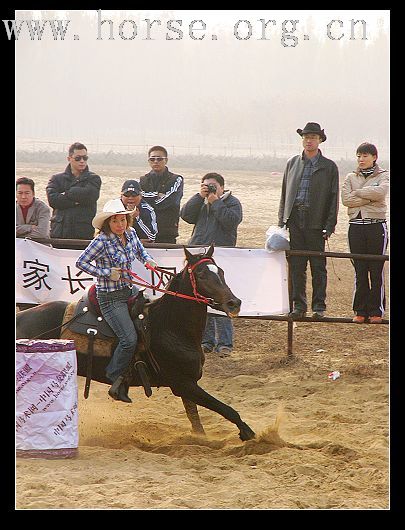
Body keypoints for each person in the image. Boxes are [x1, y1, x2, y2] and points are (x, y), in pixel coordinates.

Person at [76, 198, 157, 403]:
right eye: (115, 221)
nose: (120, 225)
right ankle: (114, 376)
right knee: (128, 339)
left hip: (129, 291)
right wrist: (106, 273)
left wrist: (148, 260)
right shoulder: (101, 241)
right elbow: (81, 262)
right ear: (107, 223)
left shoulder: (130, 234)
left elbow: (140, 251)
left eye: (122, 220)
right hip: (110, 297)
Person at [278, 122, 339, 319]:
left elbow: (333, 198)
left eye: (312, 137)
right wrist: (282, 220)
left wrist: (330, 224)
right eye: (305, 137)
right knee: (296, 265)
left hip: (316, 222)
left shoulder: (329, 167)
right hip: (295, 219)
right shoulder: (292, 163)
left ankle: (319, 306)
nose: (308, 140)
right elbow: (284, 193)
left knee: (318, 266)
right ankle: (298, 305)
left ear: (320, 140)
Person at [180, 172, 243, 356]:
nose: (209, 189)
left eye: (213, 186)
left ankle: (225, 343)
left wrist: (216, 202)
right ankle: (206, 341)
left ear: (222, 187)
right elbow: (185, 215)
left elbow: (231, 222)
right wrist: (200, 196)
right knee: (202, 298)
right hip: (199, 254)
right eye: (206, 186)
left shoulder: (232, 202)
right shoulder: (200, 202)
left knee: (223, 297)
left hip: (221, 255)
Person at [341, 142, 389, 324]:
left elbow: (381, 193)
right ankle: (360, 310)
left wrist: (359, 193)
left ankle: (376, 310)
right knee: (360, 269)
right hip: (356, 226)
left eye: (365, 156)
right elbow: (346, 199)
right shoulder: (350, 176)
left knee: (376, 269)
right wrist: (368, 196)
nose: (361, 159)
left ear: (374, 157)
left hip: (376, 226)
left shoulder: (384, 175)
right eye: (359, 156)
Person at [46, 142, 101, 239]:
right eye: (78, 158)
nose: (82, 161)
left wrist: (66, 194)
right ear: (69, 159)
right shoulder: (56, 179)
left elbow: (91, 196)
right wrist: (78, 200)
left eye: (85, 158)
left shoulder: (94, 178)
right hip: (59, 233)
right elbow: (53, 200)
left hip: (83, 233)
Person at [140, 146, 183, 244]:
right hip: (145, 235)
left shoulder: (176, 179)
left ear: (166, 160)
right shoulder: (143, 180)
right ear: (149, 161)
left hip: (167, 233)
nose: (156, 161)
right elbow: (139, 200)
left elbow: (171, 201)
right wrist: (156, 195)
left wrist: (147, 200)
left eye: (159, 159)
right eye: (152, 159)